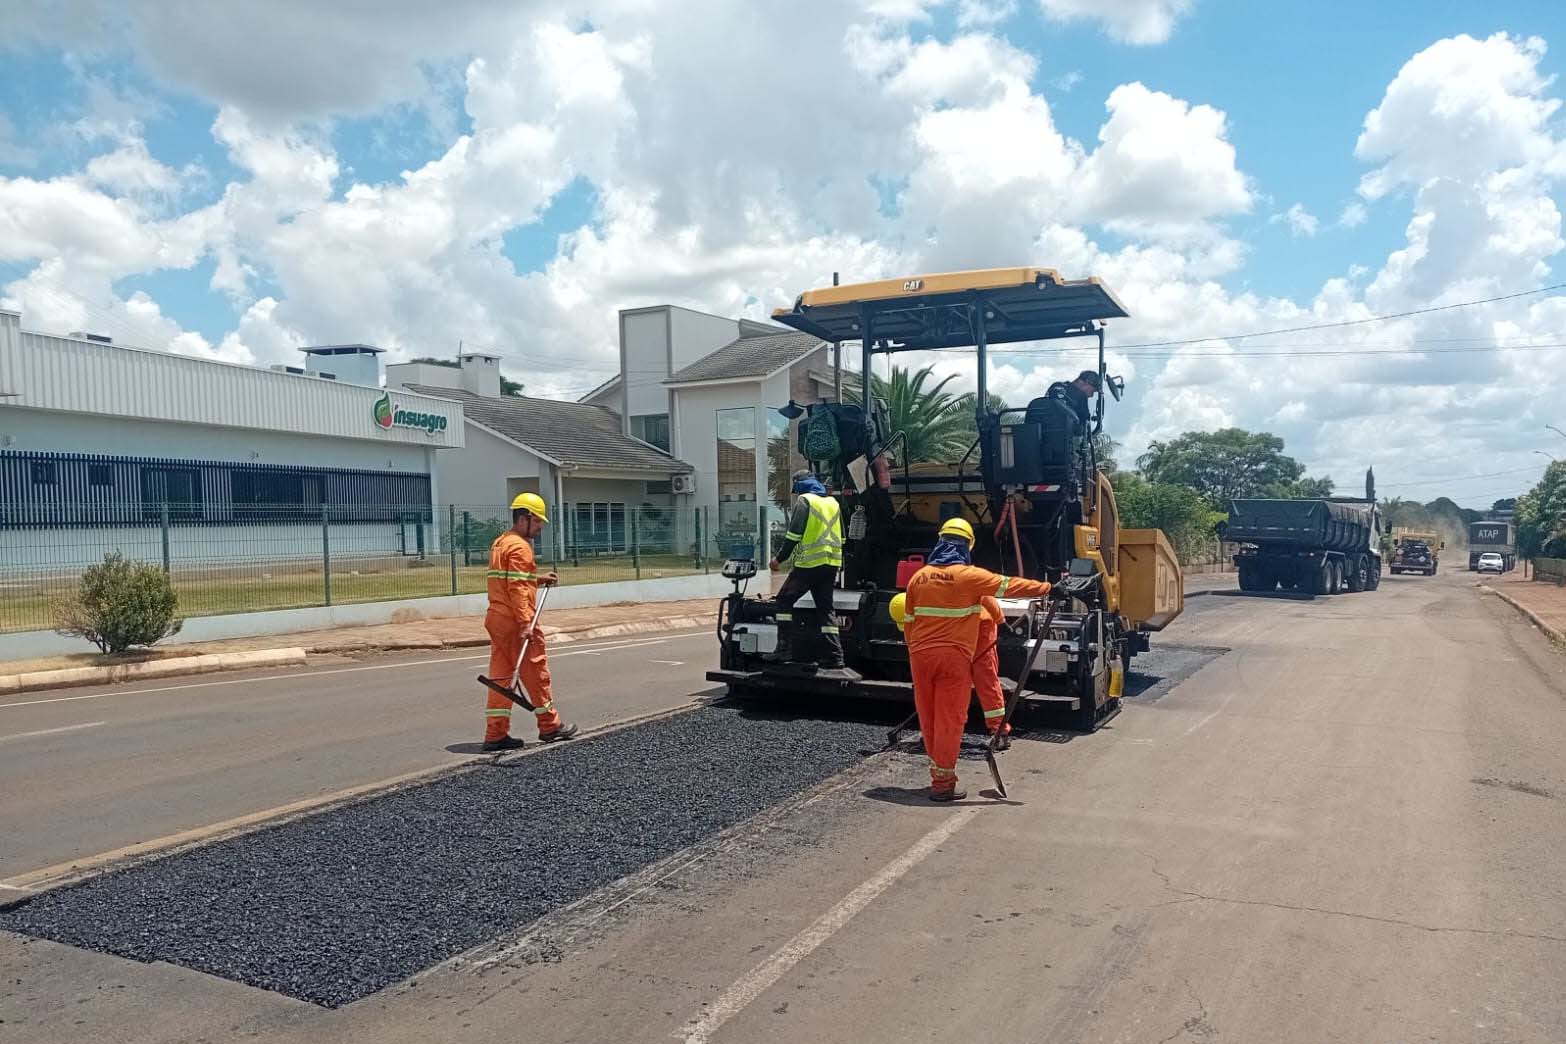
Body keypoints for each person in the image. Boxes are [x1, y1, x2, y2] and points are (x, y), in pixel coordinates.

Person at [903, 518, 1052, 801]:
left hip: (920, 656)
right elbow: (1009, 585)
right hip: (954, 658)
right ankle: (942, 785)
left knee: (929, 716)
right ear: (966, 546)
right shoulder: (968, 576)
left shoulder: (918, 578)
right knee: (950, 718)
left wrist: (918, 651)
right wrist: (1048, 588)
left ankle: (939, 774)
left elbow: (909, 623)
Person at [481, 492, 578, 752]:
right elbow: (517, 588)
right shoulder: (520, 547)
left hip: (497, 619)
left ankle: (495, 733)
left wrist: (540, 579)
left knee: (501, 677)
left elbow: (516, 580)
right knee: (536, 672)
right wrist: (526, 623)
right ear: (525, 518)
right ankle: (550, 726)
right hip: (515, 621)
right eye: (537, 523)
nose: (539, 528)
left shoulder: (500, 543)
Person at [767, 470, 859, 679]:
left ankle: (783, 650)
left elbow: (793, 535)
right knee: (826, 609)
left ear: (800, 485)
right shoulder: (833, 503)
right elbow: (843, 538)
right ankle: (835, 657)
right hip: (830, 564)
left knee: (783, 601)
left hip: (809, 565)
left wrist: (778, 559)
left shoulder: (804, 501)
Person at [973, 595, 1011, 750]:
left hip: (980, 629)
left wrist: (1001, 621)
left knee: (986, 681)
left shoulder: (967, 577)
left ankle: (1000, 733)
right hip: (963, 632)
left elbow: (986, 597)